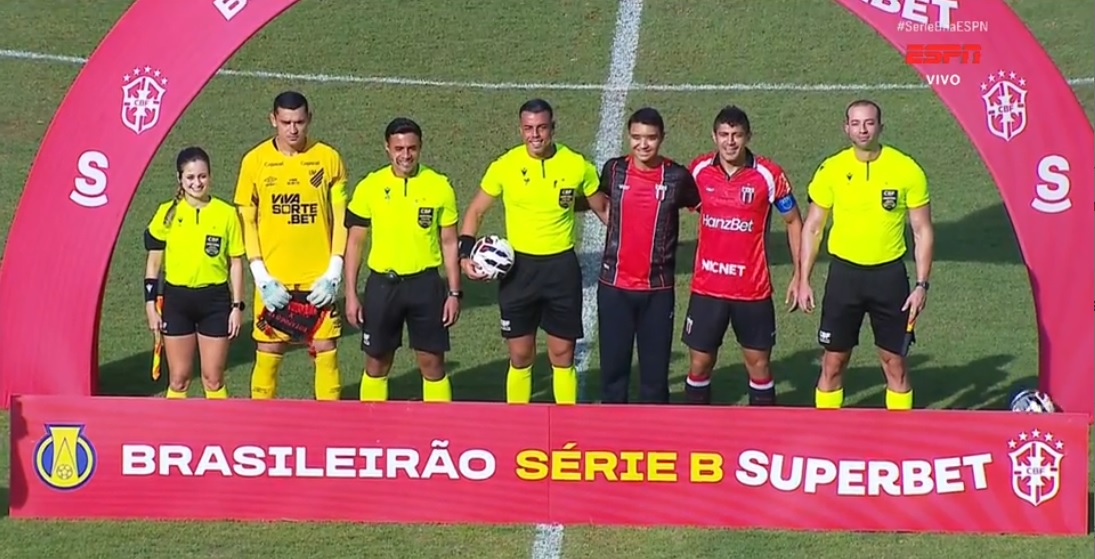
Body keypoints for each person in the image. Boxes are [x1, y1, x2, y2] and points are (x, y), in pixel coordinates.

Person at [458, 98, 608, 405]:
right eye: (528, 128)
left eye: (541, 128)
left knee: (562, 354)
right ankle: (517, 425)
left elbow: (603, 209)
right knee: (520, 354)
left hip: (561, 269)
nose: (535, 135)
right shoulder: (505, 166)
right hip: (518, 271)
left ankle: (566, 424)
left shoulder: (577, 165)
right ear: (520, 129)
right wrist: (465, 254)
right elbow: (474, 212)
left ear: (553, 127)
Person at [796, 99, 934, 411]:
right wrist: (803, 279)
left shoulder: (906, 169)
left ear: (880, 127)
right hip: (845, 277)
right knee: (833, 362)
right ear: (846, 128)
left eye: (869, 123)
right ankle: (826, 438)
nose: (863, 129)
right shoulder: (831, 169)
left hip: (889, 278)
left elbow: (922, 230)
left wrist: (922, 285)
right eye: (856, 123)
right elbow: (814, 226)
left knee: (894, 363)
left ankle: (899, 439)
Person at [683, 105, 804, 405]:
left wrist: (799, 275)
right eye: (724, 134)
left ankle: (763, 440)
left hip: (752, 291)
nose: (730, 142)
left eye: (737, 135)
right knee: (699, 364)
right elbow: (675, 207)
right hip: (707, 288)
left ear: (748, 136)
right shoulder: (698, 170)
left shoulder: (768, 174)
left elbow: (794, 221)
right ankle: (694, 434)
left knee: (759, 366)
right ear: (714, 136)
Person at [233, 91, 349, 401]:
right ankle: (262, 425)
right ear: (273, 120)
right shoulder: (254, 162)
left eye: (299, 121)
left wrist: (334, 271)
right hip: (275, 278)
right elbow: (247, 222)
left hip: (318, 278)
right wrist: (261, 276)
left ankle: (329, 423)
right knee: (269, 349)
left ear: (309, 119)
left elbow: (341, 219)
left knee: (326, 348)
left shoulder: (329, 158)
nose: (293, 129)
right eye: (286, 122)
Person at [343, 117, 462, 403]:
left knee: (432, 363)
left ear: (420, 148)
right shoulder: (370, 186)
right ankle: (372, 433)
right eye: (399, 148)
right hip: (383, 286)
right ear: (387, 148)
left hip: (426, 285)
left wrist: (455, 293)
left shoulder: (439, 186)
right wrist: (350, 295)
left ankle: (437, 433)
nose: (405, 155)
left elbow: (449, 243)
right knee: (376, 364)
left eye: (411, 148)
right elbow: (355, 243)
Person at [596, 107, 700, 404]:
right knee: (613, 377)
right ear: (629, 137)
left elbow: (704, 207)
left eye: (651, 138)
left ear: (661, 138)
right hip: (614, 289)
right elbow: (596, 199)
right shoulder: (613, 170)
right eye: (637, 137)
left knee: (654, 380)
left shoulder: (677, 177)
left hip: (657, 291)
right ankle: (613, 441)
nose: (643, 145)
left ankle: (653, 442)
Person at [144, 147, 245, 399]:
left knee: (213, 379)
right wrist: (149, 306)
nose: (196, 183)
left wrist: (237, 307)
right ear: (180, 179)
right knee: (179, 379)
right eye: (190, 177)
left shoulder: (226, 213)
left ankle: (220, 434)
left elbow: (235, 263)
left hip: (215, 302)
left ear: (210, 176)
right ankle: (173, 433)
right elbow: (153, 266)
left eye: (202, 176)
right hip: (177, 301)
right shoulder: (167, 213)